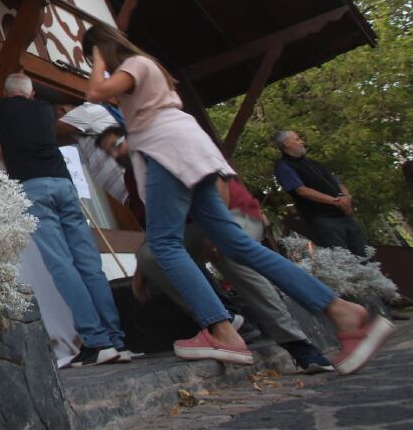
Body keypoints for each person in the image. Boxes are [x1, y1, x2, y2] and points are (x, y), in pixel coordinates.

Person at [82, 22, 391, 374]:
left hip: (166, 151)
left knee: (164, 244)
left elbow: (95, 92)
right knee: (239, 246)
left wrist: (95, 56)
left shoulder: (134, 64)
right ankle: (343, 312)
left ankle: (221, 329)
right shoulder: (147, 71)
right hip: (189, 152)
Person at [96, 131, 336, 374]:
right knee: (151, 255)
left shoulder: (167, 144)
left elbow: (219, 183)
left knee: (230, 253)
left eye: (116, 145)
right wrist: (141, 267)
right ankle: (225, 320)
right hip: (188, 227)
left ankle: (297, 343)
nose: (114, 154)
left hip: (232, 213)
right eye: (108, 153)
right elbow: (156, 224)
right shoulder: (132, 177)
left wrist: (216, 233)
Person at [0, 73, 127, 366]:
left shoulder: (2, 108)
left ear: (9, 94)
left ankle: (96, 340)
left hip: (33, 187)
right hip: (64, 185)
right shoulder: (46, 110)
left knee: (61, 264)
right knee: (89, 264)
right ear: (31, 94)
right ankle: (116, 340)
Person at [273, 131, 368, 257]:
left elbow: (337, 183)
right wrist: (336, 201)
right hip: (324, 219)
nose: (302, 142)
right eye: (297, 139)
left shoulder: (314, 163)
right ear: (286, 144)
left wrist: (346, 198)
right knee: (342, 258)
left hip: (344, 215)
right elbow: (302, 191)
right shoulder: (284, 166)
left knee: (365, 254)